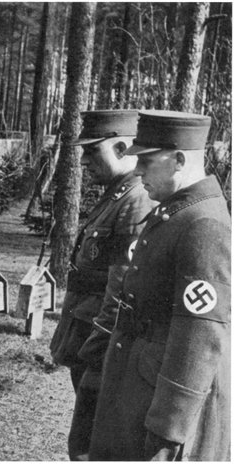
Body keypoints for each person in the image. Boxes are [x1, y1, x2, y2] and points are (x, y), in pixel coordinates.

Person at [89, 110, 231, 461]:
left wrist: (170, 426)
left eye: (147, 161)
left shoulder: (204, 224)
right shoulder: (175, 211)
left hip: (164, 404)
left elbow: (200, 335)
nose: (137, 170)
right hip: (141, 387)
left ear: (179, 160)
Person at [49, 110, 156, 460]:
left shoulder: (135, 201)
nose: (83, 161)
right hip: (86, 335)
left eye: (93, 151)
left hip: (101, 344)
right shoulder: (116, 195)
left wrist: (100, 347)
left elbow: (122, 286)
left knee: (92, 445)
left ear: (122, 149)